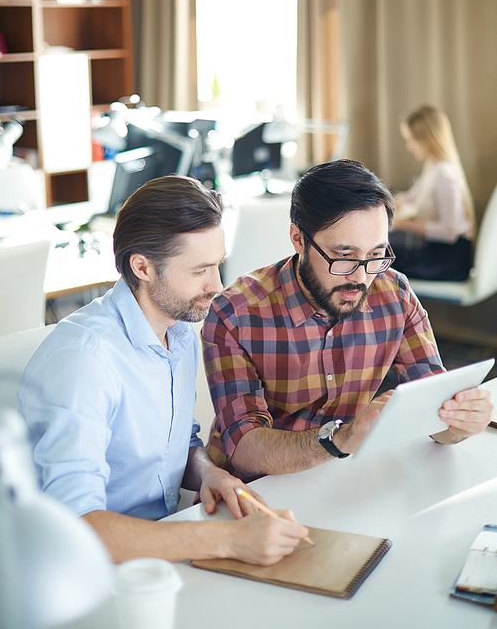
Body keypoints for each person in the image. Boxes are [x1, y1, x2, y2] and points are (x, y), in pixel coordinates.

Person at [18, 175, 308, 565]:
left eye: (217, 265)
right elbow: (75, 528)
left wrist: (209, 474)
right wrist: (227, 539)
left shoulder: (179, 333)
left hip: (160, 554)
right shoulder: (83, 360)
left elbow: (176, 442)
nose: (217, 285)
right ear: (143, 267)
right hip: (86, 574)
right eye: (200, 270)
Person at [202, 160, 492, 480]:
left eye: (375, 255)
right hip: (253, 489)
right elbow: (243, 449)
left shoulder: (394, 292)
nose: (360, 277)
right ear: (298, 239)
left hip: (340, 476)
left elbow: (436, 413)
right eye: (344, 256)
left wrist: (461, 422)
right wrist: (339, 439)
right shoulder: (235, 314)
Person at [390, 104, 476, 281]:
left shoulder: (444, 174)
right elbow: (410, 198)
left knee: (382, 260)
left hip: (451, 260)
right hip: (439, 254)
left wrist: (400, 224)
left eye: (411, 139)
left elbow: (449, 232)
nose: (408, 146)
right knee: (381, 256)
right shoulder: (432, 166)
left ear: (427, 139)